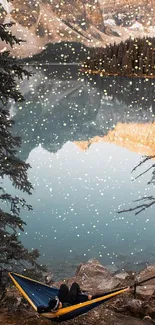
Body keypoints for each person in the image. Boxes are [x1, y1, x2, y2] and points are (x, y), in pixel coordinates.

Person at [37, 282, 132, 313]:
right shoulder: (63, 310)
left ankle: (80, 293)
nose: (60, 303)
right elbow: (62, 305)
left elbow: (39, 309)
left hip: (64, 300)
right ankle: (80, 293)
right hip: (71, 303)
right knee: (74, 285)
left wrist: (58, 301)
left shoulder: (49, 309)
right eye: (59, 304)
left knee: (63, 286)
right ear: (58, 307)